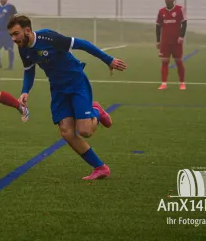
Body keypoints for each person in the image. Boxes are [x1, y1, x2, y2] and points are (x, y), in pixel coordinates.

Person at [7, 15, 127, 180]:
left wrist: (109, 60)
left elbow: (82, 44)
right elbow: (29, 70)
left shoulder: (49, 37)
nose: (13, 39)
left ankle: (96, 111)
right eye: (11, 35)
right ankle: (100, 167)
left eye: (16, 33)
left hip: (76, 82)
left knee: (85, 131)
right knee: (67, 132)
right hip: (58, 89)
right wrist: (25, 90)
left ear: (27, 30)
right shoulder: (23, 48)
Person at [156, 0, 187, 90]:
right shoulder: (161, 11)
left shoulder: (179, 9)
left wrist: (181, 36)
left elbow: (184, 23)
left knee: (178, 62)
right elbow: (158, 26)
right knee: (164, 62)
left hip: (176, 42)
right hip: (165, 41)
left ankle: (182, 83)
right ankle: (163, 84)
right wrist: (158, 40)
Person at [0, 0, 18, 69]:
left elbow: (15, 18)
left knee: (10, 49)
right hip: (0, 32)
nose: (2, 0)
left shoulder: (11, 7)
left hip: (8, 32)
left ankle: (10, 66)